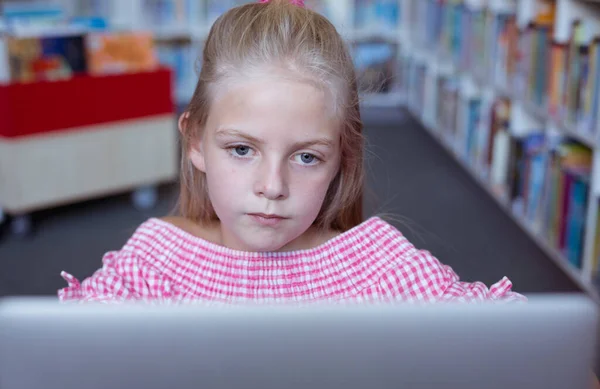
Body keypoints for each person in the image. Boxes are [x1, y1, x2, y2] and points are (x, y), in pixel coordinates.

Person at [58, 0, 525, 305]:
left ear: (341, 157)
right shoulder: (153, 264)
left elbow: (535, 357)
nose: (272, 187)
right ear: (196, 142)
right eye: (242, 149)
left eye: (306, 157)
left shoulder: (381, 268)